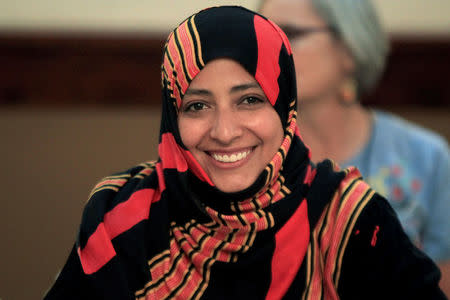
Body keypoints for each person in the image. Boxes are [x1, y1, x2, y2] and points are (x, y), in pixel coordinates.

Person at [44, 6, 446, 299]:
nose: (224, 131)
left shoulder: (349, 219)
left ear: (283, 107)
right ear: (172, 118)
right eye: (197, 106)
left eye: (250, 100)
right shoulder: (122, 212)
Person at [258, 0, 450, 293]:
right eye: (263, 36)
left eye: (290, 34)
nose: (269, 51)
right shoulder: (243, 157)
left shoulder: (428, 157)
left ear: (349, 49)